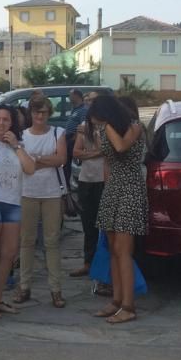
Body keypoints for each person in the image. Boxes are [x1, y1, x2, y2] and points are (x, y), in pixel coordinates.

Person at [89, 95, 148, 324]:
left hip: (130, 190)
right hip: (113, 189)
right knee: (113, 248)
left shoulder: (134, 127)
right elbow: (107, 159)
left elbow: (121, 146)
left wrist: (107, 126)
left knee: (124, 251)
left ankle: (128, 306)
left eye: (98, 119)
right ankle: (116, 300)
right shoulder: (105, 130)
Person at [0, 105, 35, 318]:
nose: (1, 123)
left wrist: (16, 146)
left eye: (6, 120)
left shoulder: (19, 144)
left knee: (8, 255)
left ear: (13, 123)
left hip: (13, 204)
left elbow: (30, 169)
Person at [14, 96, 68, 308]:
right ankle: (24, 286)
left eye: (44, 112)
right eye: (36, 112)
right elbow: (22, 163)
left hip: (52, 192)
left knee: (52, 241)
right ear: (31, 114)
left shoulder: (58, 133)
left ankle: (56, 289)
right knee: (26, 241)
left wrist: (35, 159)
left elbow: (61, 160)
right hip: (27, 192)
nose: (40, 116)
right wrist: (47, 159)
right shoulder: (22, 136)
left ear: (49, 113)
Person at [70, 92, 106, 284]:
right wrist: (95, 153)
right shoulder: (83, 128)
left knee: (104, 225)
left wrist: (90, 151)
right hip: (86, 180)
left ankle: (103, 264)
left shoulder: (107, 129)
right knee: (88, 223)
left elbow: (105, 150)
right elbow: (76, 152)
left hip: (103, 180)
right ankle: (88, 262)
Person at [61, 89, 88, 217]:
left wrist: (74, 139)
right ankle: (67, 188)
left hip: (73, 140)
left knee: (70, 165)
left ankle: (70, 190)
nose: (69, 98)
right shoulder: (75, 108)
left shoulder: (83, 110)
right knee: (66, 166)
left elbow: (83, 126)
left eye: (70, 96)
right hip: (69, 139)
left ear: (77, 96)